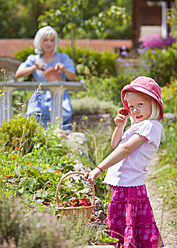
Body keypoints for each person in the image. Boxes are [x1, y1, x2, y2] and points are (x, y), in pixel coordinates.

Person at [85, 76, 164, 248]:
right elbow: (116, 145)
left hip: (131, 187)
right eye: (132, 106)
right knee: (121, 227)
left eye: (140, 104)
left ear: (154, 104)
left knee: (130, 227)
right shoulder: (137, 126)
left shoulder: (151, 126)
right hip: (122, 184)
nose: (135, 110)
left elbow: (125, 149)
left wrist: (99, 168)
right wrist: (120, 127)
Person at [15, 26, 76, 130]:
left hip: (59, 96)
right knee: (34, 118)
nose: (49, 43)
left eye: (52, 40)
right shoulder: (33, 59)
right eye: (45, 40)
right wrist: (34, 67)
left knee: (60, 119)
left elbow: (73, 78)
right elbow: (18, 74)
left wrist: (64, 69)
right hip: (39, 98)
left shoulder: (63, 57)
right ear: (39, 41)